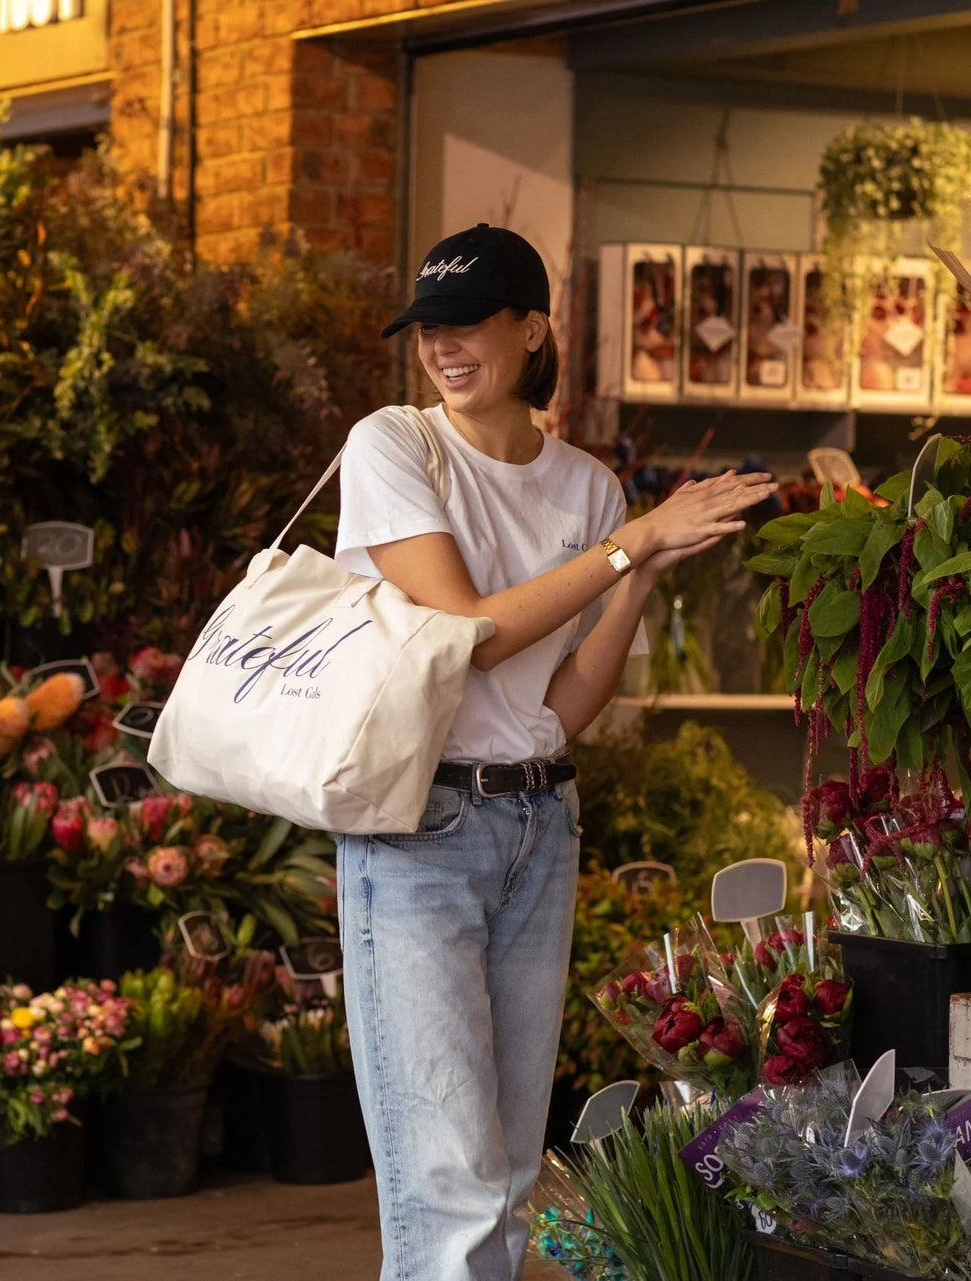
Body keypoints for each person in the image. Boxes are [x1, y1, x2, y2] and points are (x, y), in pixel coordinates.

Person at [333, 222, 777, 1281]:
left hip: (538, 822)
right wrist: (632, 543)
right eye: (427, 327)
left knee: (506, 1174)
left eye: (466, 323)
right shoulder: (396, 445)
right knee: (444, 1180)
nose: (441, 346)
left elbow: (564, 706)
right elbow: (468, 633)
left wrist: (639, 573)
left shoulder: (585, 488)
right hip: (418, 834)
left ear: (530, 329)